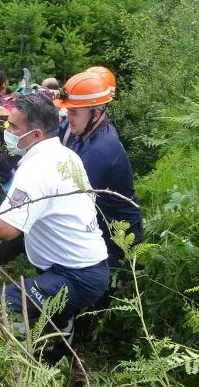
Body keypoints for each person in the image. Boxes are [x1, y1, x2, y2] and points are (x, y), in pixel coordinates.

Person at [0, 94, 109, 327]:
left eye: (13, 127)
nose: (7, 131)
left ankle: (26, 350)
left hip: (75, 276)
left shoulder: (38, 169)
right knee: (53, 313)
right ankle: (58, 338)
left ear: (35, 135)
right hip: (83, 266)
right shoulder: (65, 155)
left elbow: (5, 229)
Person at [60, 70, 142, 268]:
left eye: (74, 112)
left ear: (95, 113)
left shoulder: (100, 149)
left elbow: (67, 195)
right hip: (103, 226)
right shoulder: (88, 132)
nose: (68, 118)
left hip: (117, 238)